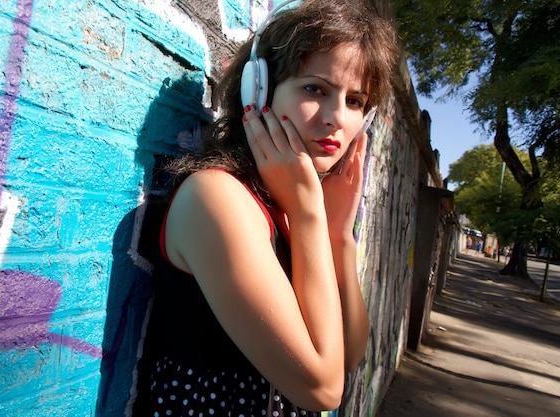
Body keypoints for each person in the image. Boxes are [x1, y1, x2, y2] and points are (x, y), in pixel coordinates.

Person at [135, 0, 398, 415]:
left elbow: (349, 353)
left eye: (355, 101)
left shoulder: (290, 205)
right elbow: (325, 389)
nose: (336, 118)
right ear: (257, 90)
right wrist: (310, 215)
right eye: (315, 89)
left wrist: (337, 236)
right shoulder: (217, 199)